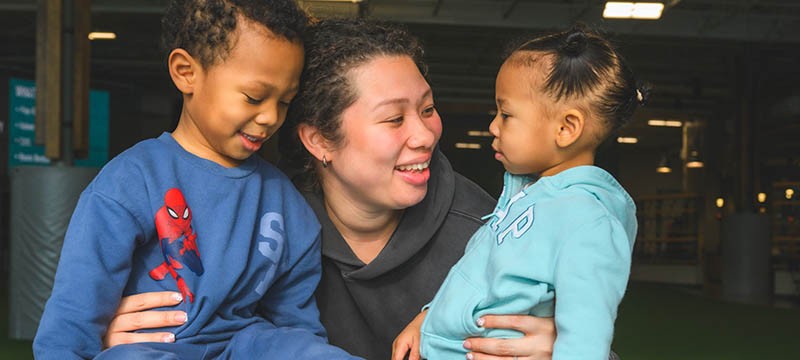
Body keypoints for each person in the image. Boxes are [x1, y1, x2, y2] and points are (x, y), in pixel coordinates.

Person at [102, 18, 559, 360]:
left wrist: (561, 347)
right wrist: (132, 334)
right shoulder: (267, 222)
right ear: (319, 140)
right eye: (394, 118)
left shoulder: (492, 231)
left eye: (427, 109)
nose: (425, 134)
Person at [33, 1, 358, 359]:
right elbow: (73, 314)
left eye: (284, 102)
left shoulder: (287, 204)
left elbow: (296, 325)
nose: (270, 117)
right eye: (254, 97)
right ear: (186, 72)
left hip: (244, 343)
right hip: (153, 345)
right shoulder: (130, 180)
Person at [392, 26, 647, 360]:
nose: (493, 126)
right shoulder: (526, 197)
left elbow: (585, 336)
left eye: (506, 114)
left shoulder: (587, 219)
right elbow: (478, 279)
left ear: (566, 128)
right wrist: (428, 319)